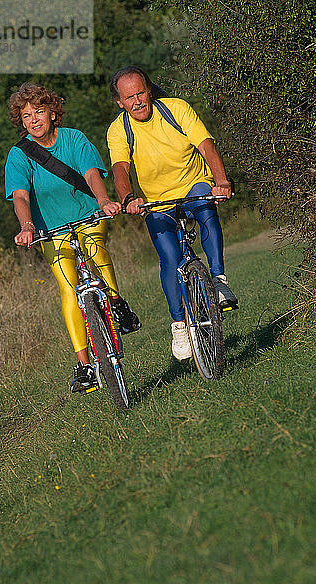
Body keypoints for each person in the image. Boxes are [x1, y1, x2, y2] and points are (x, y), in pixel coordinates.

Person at [5, 82, 140, 393]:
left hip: (88, 215)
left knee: (96, 252)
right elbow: (20, 196)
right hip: (50, 230)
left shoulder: (74, 138)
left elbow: (92, 172)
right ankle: (85, 365)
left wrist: (104, 201)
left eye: (39, 112)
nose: (34, 120)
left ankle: (117, 304)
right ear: (21, 121)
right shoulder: (18, 154)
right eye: (26, 116)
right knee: (68, 288)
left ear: (53, 113)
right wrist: (27, 227)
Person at [107, 66, 238, 362]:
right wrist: (128, 198)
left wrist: (221, 181)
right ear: (120, 102)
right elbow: (120, 169)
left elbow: (206, 145)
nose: (138, 101)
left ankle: (219, 280)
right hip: (155, 201)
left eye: (141, 92)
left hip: (193, 184)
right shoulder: (119, 130)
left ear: (149, 90)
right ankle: (179, 325)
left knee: (205, 209)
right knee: (168, 258)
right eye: (130, 97)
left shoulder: (176, 109)